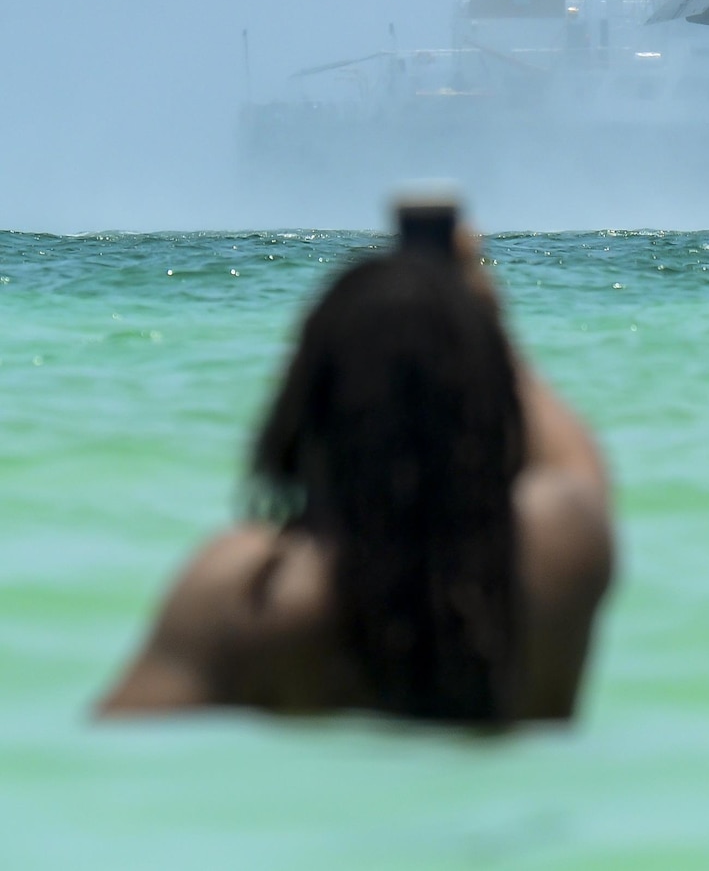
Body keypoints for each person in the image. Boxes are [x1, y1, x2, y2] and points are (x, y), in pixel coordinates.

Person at [98, 232, 614, 726]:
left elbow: (108, 763)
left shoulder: (254, 593)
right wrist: (480, 322)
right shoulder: (556, 558)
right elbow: (576, 473)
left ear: (307, 405)